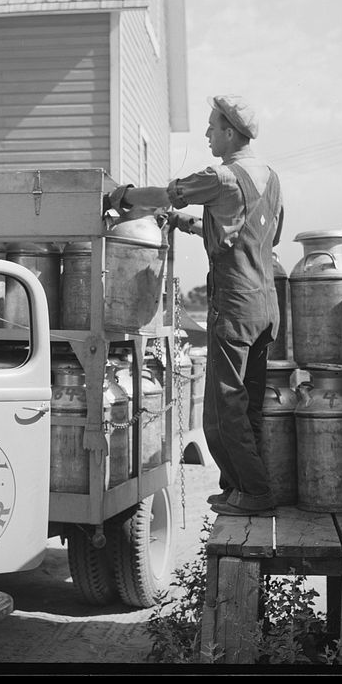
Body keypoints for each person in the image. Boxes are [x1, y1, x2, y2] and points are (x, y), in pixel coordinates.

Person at [108, 95, 283, 517]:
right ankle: (238, 487)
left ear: (229, 132)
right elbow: (262, 235)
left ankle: (255, 492)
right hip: (266, 305)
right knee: (249, 402)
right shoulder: (271, 177)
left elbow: (169, 194)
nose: (206, 134)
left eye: (211, 127)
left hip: (235, 302)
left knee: (223, 408)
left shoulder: (221, 177)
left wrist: (124, 195)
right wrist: (189, 226)